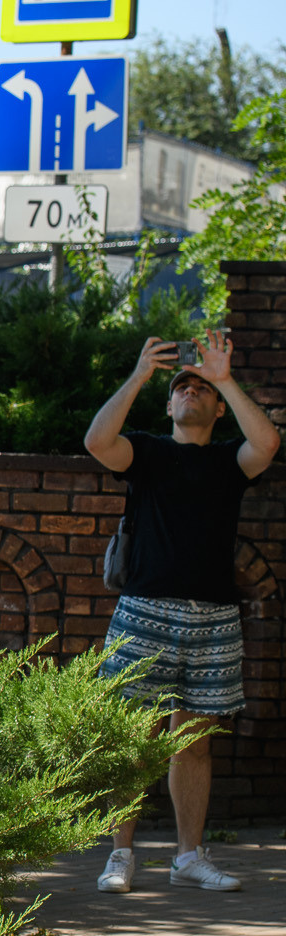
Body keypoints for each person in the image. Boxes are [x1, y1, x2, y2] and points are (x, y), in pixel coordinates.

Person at [84, 330, 279, 894]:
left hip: (215, 618)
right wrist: (142, 373)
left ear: (216, 407)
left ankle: (189, 856)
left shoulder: (227, 461)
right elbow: (99, 440)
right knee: (129, 735)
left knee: (192, 739)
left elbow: (265, 444)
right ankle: (120, 855)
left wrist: (224, 378)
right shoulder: (145, 450)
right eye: (182, 387)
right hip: (143, 608)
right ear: (169, 405)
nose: (190, 391)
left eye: (201, 387)